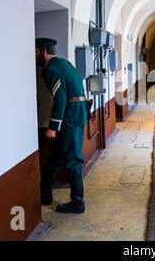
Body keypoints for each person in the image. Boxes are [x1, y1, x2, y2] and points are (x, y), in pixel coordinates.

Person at [36, 38, 91, 214]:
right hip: (78, 112)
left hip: (70, 117)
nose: (34, 56)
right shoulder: (64, 63)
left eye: (35, 52)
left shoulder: (50, 69)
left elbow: (59, 98)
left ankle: (77, 203)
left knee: (73, 159)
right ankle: (45, 193)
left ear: (43, 51)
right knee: (55, 156)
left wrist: (53, 127)